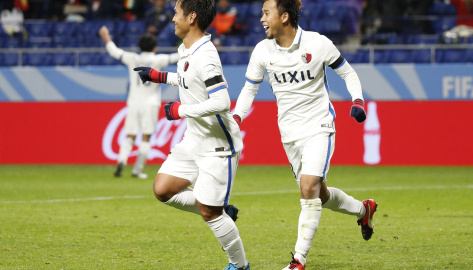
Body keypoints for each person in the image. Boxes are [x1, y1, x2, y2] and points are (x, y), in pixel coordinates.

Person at [232, 0, 377, 269]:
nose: (261, 18)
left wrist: (357, 100)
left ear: (284, 16)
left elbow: (348, 72)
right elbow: (249, 89)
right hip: (289, 133)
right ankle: (363, 209)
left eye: (267, 13)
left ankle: (298, 260)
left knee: (308, 188)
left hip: (319, 126)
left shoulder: (317, 43)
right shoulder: (263, 50)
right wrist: (237, 116)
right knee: (317, 194)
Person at [133, 0, 250, 269]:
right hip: (193, 140)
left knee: (210, 213)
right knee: (163, 190)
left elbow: (222, 102)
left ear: (192, 17)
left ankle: (240, 265)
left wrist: (180, 110)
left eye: (176, 13)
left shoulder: (206, 55)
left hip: (217, 146)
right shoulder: (187, 49)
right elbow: (186, 78)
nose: (173, 18)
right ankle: (221, 210)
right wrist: (158, 76)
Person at [99, 25, 179, 179]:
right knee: (146, 136)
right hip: (151, 103)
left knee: (130, 135)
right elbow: (177, 56)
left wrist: (106, 36)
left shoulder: (132, 58)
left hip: (134, 102)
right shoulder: (158, 59)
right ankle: (137, 170)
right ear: (154, 48)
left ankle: (121, 161)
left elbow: (114, 51)